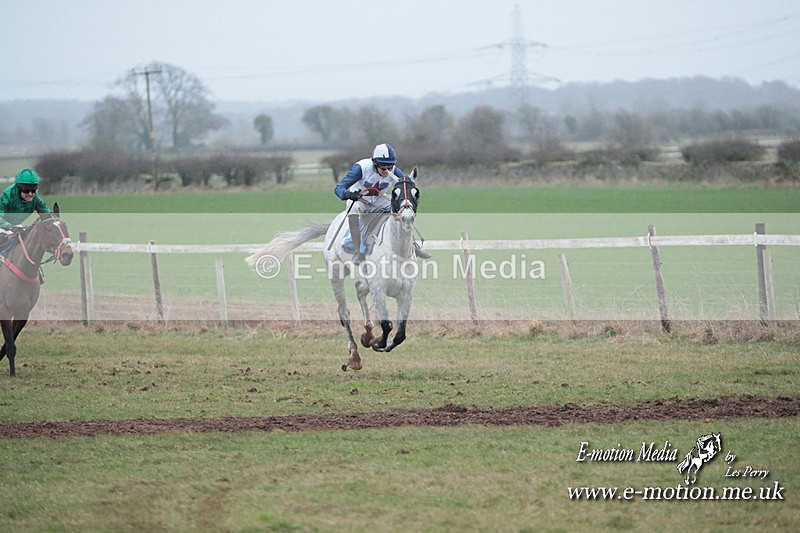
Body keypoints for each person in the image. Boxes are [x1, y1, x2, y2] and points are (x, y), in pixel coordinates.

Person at [334, 143, 429, 261]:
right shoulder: (361, 168)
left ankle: (413, 245)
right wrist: (348, 194)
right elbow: (338, 188)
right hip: (359, 199)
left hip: (379, 200)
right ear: (374, 164)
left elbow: (405, 185)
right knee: (354, 211)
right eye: (383, 168)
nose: (387, 171)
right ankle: (358, 250)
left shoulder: (394, 171)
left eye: (390, 167)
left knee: (403, 209)